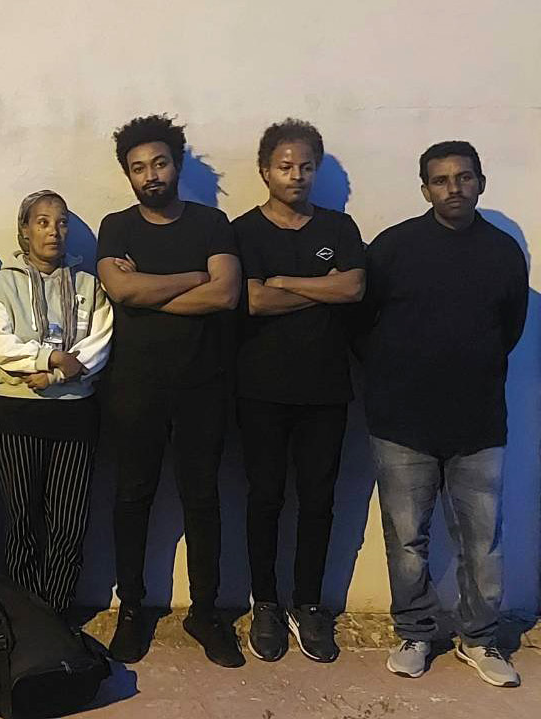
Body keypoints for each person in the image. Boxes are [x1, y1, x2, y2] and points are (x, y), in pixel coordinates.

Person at [364, 141, 526, 688]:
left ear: (481, 182)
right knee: (407, 541)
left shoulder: (504, 252)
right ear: (425, 188)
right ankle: (415, 632)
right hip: (401, 423)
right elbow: (362, 323)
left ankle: (480, 639)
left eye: (464, 177)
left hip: (478, 424)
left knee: (482, 542)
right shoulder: (393, 247)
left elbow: (509, 329)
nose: (453, 188)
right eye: (441, 180)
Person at [96, 114, 244, 668]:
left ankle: (206, 613)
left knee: (203, 501)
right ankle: (132, 609)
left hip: (204, 386)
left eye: (159, 163)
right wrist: (192, 277)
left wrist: (148, 290)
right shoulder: (117, 226)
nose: (150, 175)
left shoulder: (212, 223)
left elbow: (225, 295)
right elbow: (121, 291)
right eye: (138, 168)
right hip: (134, 387)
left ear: (176, 165)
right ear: (128, 175)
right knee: (132, 498)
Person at [235, 119, 364, 664]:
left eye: (306, 166)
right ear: (265, 171)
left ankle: (309, 604)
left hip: (326, 390)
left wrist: (286, 282)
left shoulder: (338, 227)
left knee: (319, 500)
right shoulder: (244, 231)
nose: (296, 176)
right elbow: (252, 301)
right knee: (264, 498)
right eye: (285, 166)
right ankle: (265, 603)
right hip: (260, 390)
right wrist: (321, 290)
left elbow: (353, 287)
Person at [0, 190, 111, 616]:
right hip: (15, 412)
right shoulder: (2, 282)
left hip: (75, 413)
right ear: (24, 230)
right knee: (21, 519)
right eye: (42, 222)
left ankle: (57, 613)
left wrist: (55, 375)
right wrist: (51, 359)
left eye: (61, 222)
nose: (53, 231)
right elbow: (0, 344)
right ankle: (26, 617)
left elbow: (98, 344)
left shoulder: (89, 284)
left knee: (68, 521)